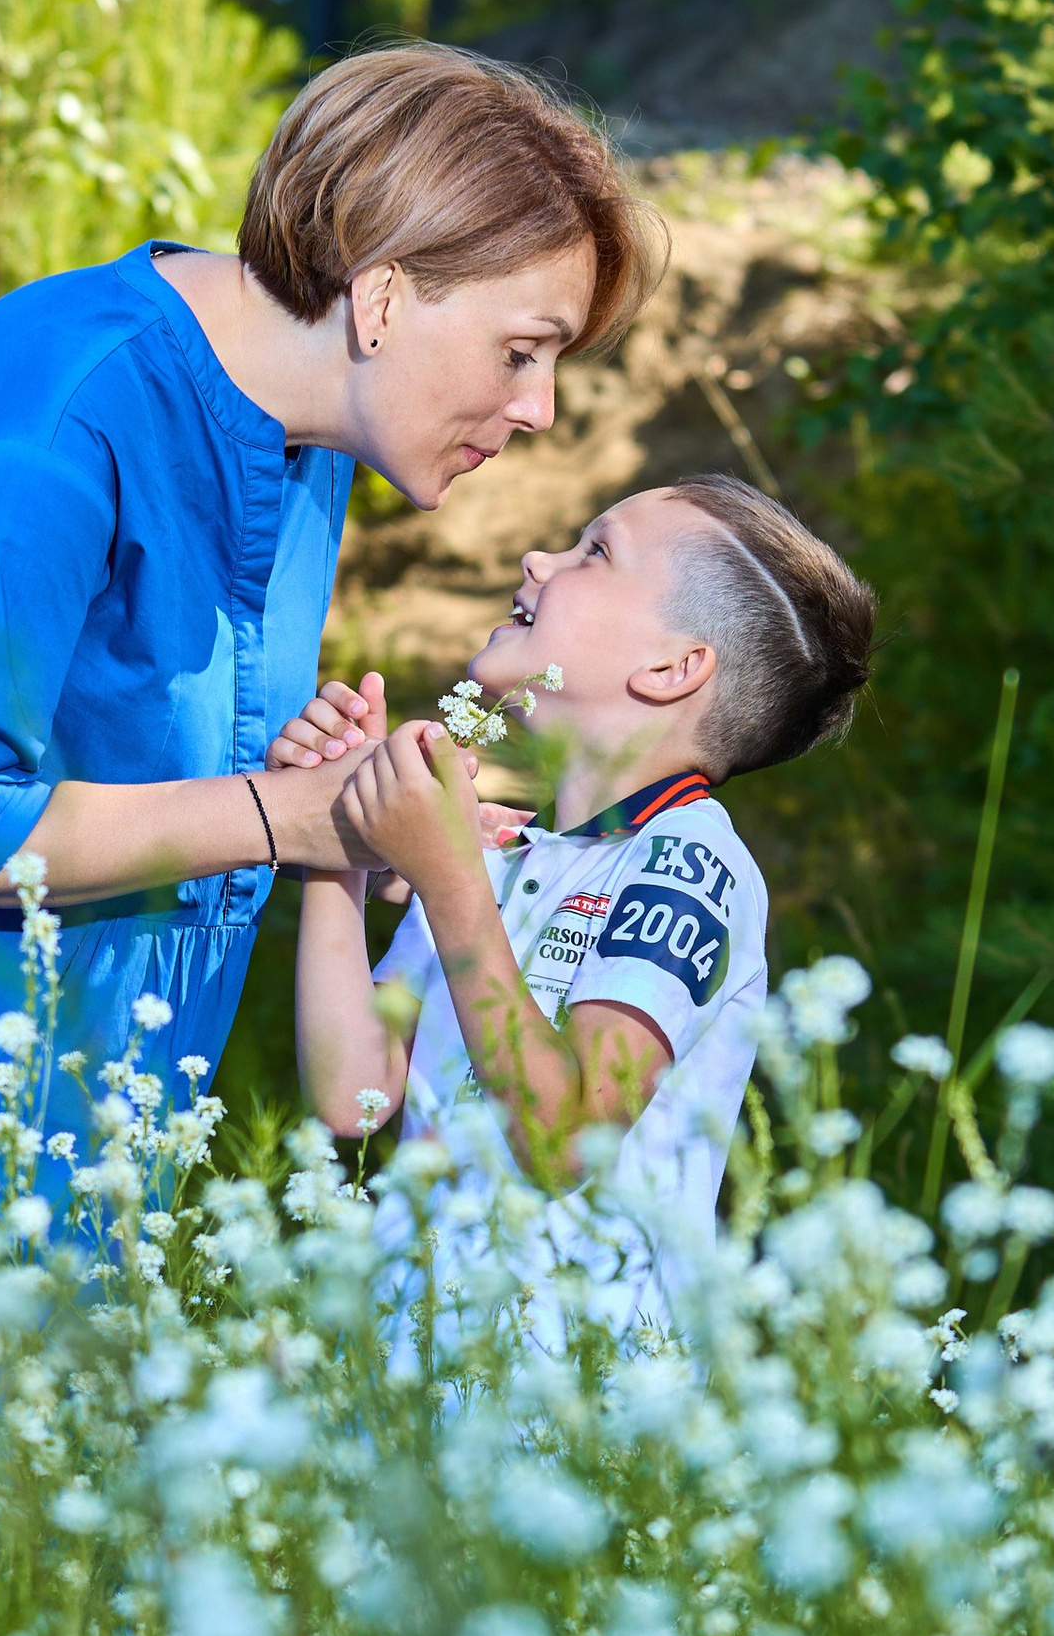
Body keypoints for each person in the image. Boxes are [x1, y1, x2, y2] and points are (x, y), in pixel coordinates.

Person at [0, 45, 658, 1161]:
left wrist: (351, 810)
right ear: (381, 297)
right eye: (521, 352)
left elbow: (161, 776)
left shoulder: (314, 429)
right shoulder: (53, 417)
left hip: (46, 1137)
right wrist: (299, 814)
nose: (540, 408)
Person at [285, 477, 875, 1335]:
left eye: (595, 552)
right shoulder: (501, 859)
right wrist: (338, 841)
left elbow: (566, 1139)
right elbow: (355, 1097)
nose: (539, 559)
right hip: (419, 1379)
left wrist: (446, 877)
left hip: (578, 1393)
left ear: (670, 669)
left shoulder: (690, 865)